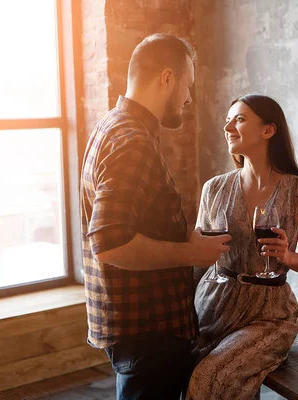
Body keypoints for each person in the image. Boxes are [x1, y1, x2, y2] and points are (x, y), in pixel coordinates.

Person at [80, 33, 231, 400]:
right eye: (187, 85)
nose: (188, 97)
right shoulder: (132, 141)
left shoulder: (112, 126)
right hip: (147, 331)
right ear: (167, 78)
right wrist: (191, 254)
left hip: (141, 329)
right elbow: (110, 244)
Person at [187, 94, 298, 400]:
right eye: (228, 118)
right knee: (206, 381)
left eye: (239, 119)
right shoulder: (215, 188)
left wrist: (288, 256)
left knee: (210, 377)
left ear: (268, 130)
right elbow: (198, 260)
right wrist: (184, 312)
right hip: (213, 303)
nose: (227, 126)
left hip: (270, 313)